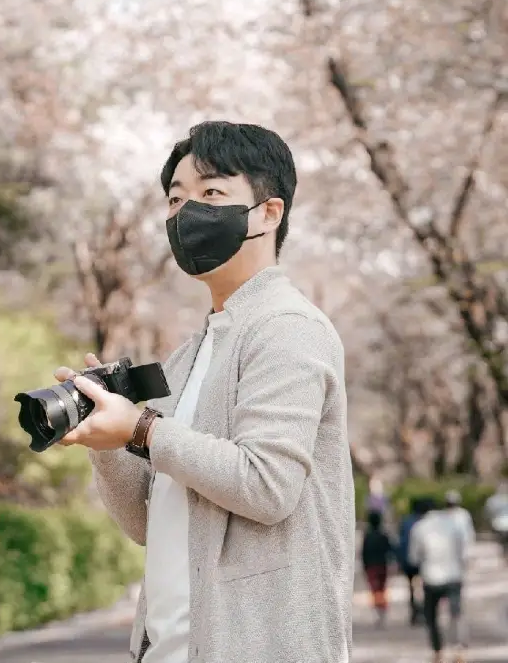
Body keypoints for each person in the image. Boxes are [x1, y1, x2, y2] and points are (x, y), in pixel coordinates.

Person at [55, 121, 354, 663]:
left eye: (211, 193)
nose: (185, 213)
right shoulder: (191, 353)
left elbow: (268, 486)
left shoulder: (287, 327)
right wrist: (109, 444)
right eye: (175, 199)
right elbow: (147, 523)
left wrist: (143, 429)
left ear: (269, 212)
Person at [409, 497, 468, 663]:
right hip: (454, 575)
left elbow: (413, 557)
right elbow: (463, 549)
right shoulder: (452, 523)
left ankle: (437, 650)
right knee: (456, 613)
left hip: (430, 577)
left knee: (431, 616)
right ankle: (458, 647)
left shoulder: (418, 528)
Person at [361, 510, 396, 628]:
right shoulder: (383, 535)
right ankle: (382, 611)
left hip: (371, 566)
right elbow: (390, 550)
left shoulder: (368, 536)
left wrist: (364, 567)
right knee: (382, 589)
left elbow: (364, 553)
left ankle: (378, 611)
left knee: (374, 590)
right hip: (382, 565)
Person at [398, 497, 424, 625]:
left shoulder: (406, 522)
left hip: (408, 561)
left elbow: (401, 542)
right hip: (421, 562)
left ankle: (414, 612)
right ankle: (422, 611)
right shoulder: (424, 522)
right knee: (422, 587)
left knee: (412, 588)